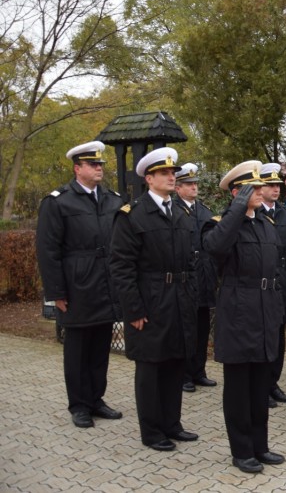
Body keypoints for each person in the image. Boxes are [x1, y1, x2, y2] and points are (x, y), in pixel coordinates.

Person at [110, 147, 198, 452]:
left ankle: (172, 424)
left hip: (179, 300)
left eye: (173, 173)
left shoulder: (180, 212)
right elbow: (121, 267)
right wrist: (132, 308)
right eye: (164, 173)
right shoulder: (132, 215)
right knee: (150, 368)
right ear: (149, 178)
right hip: (150, 301)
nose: (172, 177)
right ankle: (151, 431)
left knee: (175, 364)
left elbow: (192, 260)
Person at [202, 161, 285, 473]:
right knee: (238, 387)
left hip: (265, 309)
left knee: (259, 384)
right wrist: (237, 211)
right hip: (238, 311)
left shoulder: (266, 224)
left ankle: (260, 446)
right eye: (254, 187)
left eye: (261, 186)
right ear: (237, 192)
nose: (262, 191)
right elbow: (215, 248)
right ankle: (241, 451)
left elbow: (275, 266)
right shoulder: (219, 224)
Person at [36, 141, 124, 429]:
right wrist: (56, 293)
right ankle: (79, 404)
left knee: (100, 347)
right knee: (77, 350)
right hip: (76, 286)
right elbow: (48, 252)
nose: (99, 169)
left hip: (106, 284)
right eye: (92, 165)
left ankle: (96, 399)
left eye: (100, 164)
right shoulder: (58, 201)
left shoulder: (112, 199)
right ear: (78, 169)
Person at [256, 162, 286, 409]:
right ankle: (261, 387)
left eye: (277, 185)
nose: (275, 189)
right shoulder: (253, 213)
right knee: (264, 335)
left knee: (280, 335)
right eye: (270, 185)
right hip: (263, 281)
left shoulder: (285, 214)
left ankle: (273, 383)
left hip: (283, 281)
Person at [174, 163, 218, 394]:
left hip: (204, 275)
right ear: (178, 188)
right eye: (189, 184)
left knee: (201, 328)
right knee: (186, 329)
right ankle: (185, 375)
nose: (194, 188)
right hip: (186, 276)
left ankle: (199, 371)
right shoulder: (174, 210)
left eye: (195, 184)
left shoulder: (203, 210)